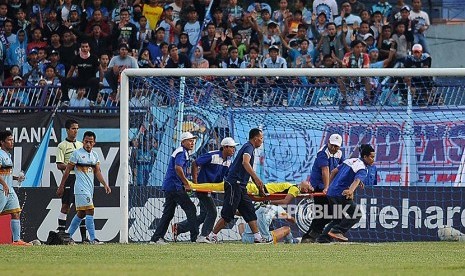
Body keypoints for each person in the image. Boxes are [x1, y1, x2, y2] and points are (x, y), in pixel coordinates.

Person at [173, 137, 239, 243]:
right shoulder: (212, 155)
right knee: (212, 212)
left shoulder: (228, 161)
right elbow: (195, 163)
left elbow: (228, 176)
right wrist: (195, 182)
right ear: (225, 147)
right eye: (232, 147)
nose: (234, 150)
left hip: (212, 190)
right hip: (203, 189)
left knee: (204, 215)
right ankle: (203, 236)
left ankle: (180, 227)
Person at [208, 128, 268, 243]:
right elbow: (245, 162)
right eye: (261, 138)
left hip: (241, 186)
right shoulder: (248, 147)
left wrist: (258, 185)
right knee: (228, 214)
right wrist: (256, 178)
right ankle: (211, 236)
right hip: (234, 184)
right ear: (255, 139)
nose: (262, 141)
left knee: (249, 211)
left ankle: (257, 237)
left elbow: (246, 167)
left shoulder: (250, 148)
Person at [57, 131, 111, 244]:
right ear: (83, 142)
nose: (88, 144)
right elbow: (67, 170)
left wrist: (105, 184)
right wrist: (62, 185)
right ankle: (93, 239)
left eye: (90, 142)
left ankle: (68, 237)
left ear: (94, 143)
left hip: (89, 188)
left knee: (81, 214)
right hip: (80, 188)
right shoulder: (76, 154)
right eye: (86, 141)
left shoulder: (95, 155)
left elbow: (97, 172)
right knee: (90, 210)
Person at [150, 132, 199, 245]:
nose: (192, 142)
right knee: (191, 209)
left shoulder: (182, 152)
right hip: (175, 186)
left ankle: (156, 238)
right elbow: (178, 168)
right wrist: (186, 183)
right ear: (183, 142)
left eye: (193, 140)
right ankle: (195, 238)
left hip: (171, 186)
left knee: (168, 213)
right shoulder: (182, 152)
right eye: (189, 140)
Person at [323, 144, 375, 242]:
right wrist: (351, 191)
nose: (373, 159)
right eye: (371, 157)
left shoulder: (350, 160)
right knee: (356, 213)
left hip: (331, 193)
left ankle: (322, 239)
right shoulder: (363, 169)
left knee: (338, 218)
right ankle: (338, 231)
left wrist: (329, 187)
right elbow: (356, 180)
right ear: (365, 157)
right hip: (341, 194)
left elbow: (333, 171)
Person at [302, 133, 344, 243]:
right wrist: (326, 187)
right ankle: (314, 236)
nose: (334, 148)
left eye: (337, 146)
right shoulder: (323, 153)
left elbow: (342, 168)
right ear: (328, 143)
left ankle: (313, 235)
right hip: (318, 186)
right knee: (323, 212)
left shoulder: (340, 153)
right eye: (332, 145)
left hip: (329, 187)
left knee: (331, 213)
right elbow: (325, 170)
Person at [55, 119, 87, 242]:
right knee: (66, 206)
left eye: (77, 128)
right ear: (67, 130)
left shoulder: (80, 145)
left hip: (81, 178)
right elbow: (59, 165)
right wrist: (73, 166)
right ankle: (61, 235)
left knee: (82, 207)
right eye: (73, 128)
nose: (76, 131)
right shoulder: (62, 146)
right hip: (69, 178)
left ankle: (84, 238)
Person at [0, 130, 31, 246]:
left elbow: (4, 173)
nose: (12, 142)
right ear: (2, 142)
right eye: (9, 140)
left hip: (9, 189)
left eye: (12, 139)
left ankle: (17, 240)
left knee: (16, 212)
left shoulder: (7, 155)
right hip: (2, 189)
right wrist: (4, 184)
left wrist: (15, 178)